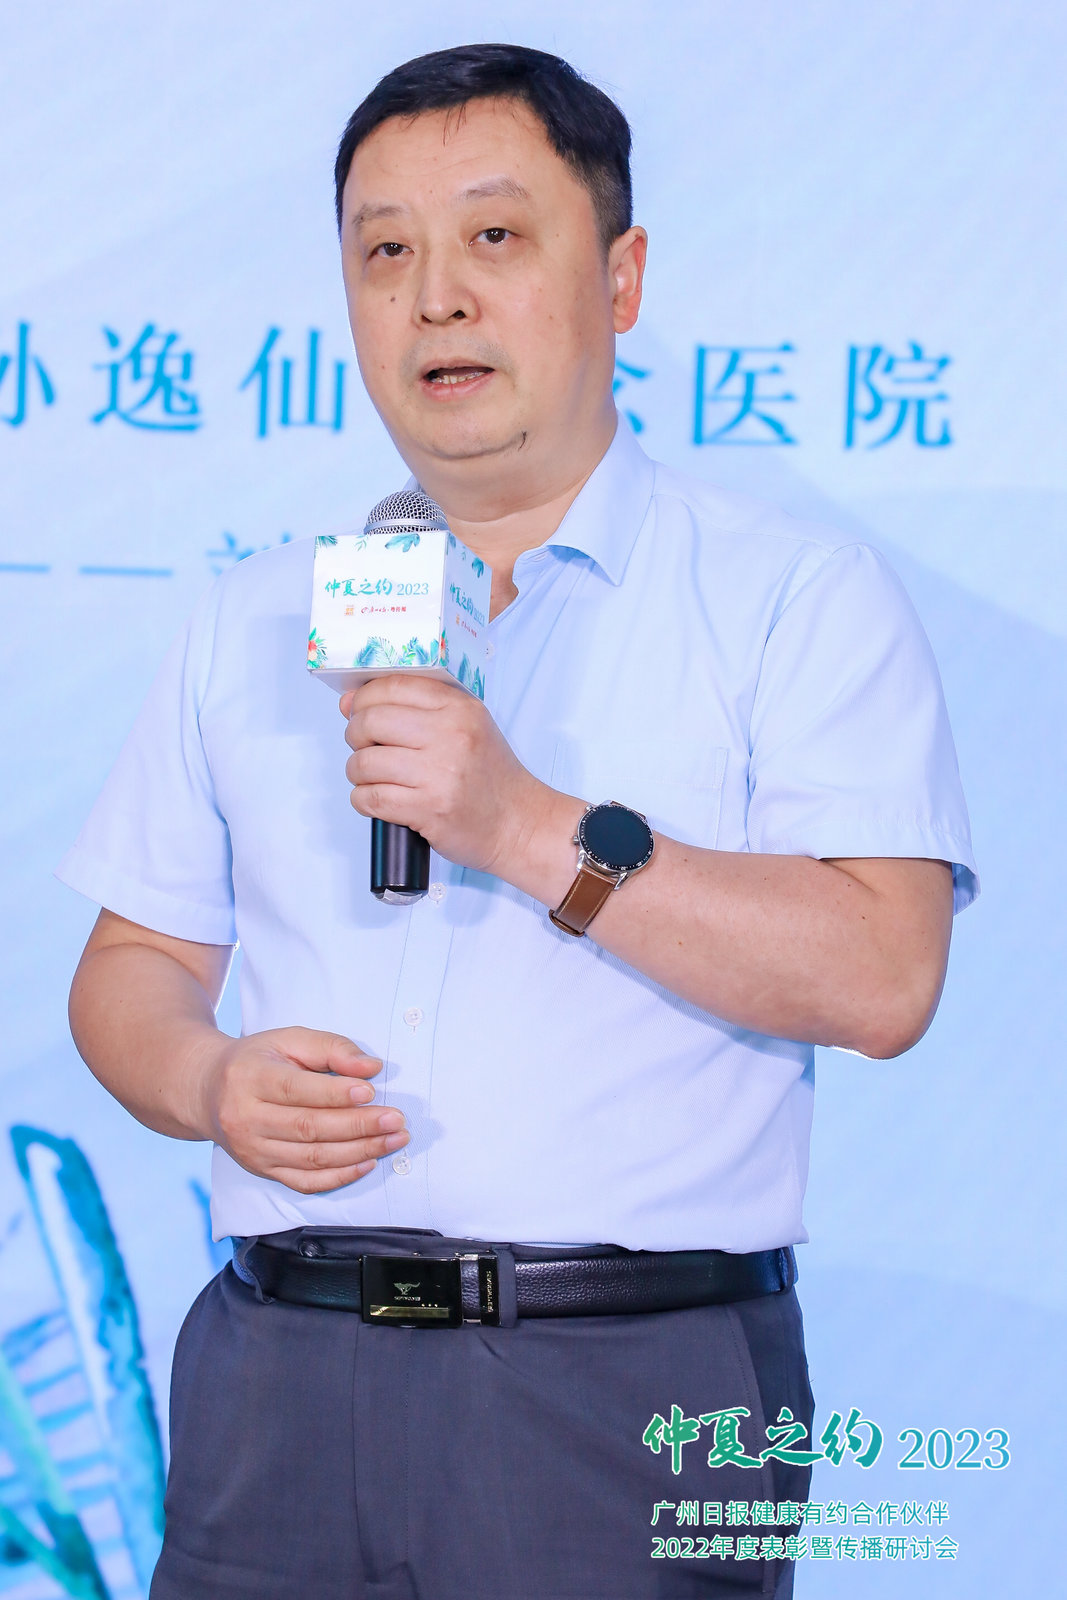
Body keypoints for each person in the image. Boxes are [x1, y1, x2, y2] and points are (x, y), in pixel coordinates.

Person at [59, 42, 977, 1600]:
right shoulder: (255, 611)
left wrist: (527, 824)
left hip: (631, 1387)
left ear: (620, 280)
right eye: (386, 253)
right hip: (278, 1381)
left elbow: (886, 975)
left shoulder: (793, 597)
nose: (436, 298)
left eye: (494, 236)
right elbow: (129, 967)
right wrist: (209, 1080)